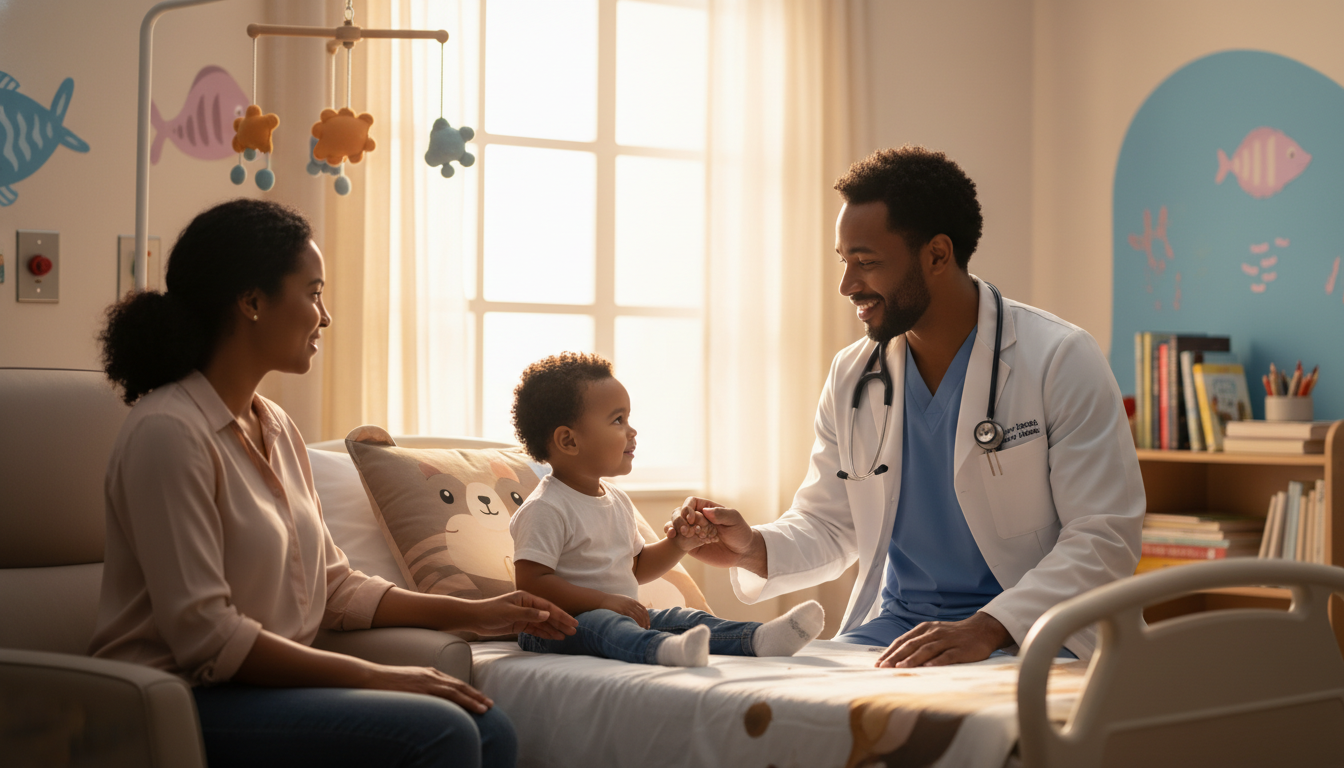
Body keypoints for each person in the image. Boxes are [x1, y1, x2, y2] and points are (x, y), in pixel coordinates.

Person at [90, 198, 577, 768]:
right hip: (176, 699)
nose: (325, 316)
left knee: (490, 728)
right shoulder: (169, 433)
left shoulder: (274, 425)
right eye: (313, 292)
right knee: (440, 732)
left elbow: (333, 586)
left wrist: (473, 611)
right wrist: (383, 677)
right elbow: (207, 638)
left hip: (260, 690)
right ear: (251, 302)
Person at [669, 146, 1144, 666]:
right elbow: (830, 523)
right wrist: (753, 547)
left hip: (1030, 635)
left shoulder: (1059, 358)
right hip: (894, 637)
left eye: (866, 263)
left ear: (937, 255)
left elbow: (1103, 536)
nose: (848, 285)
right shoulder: (853, 375)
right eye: (844, 262)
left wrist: (988, 627)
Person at [509, 352, 825, 667]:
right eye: (618, 420)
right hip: (555, 627)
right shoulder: (546, 507)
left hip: (619, 618)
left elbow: (636, 567)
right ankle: (664, 651)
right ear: (568, 440)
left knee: (682, 617)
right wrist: (603, 602)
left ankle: (758, 639)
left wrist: (679, 544)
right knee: (605, 626)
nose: (632, 431)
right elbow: (532, 582)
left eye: (628, 419)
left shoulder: (616, 500)